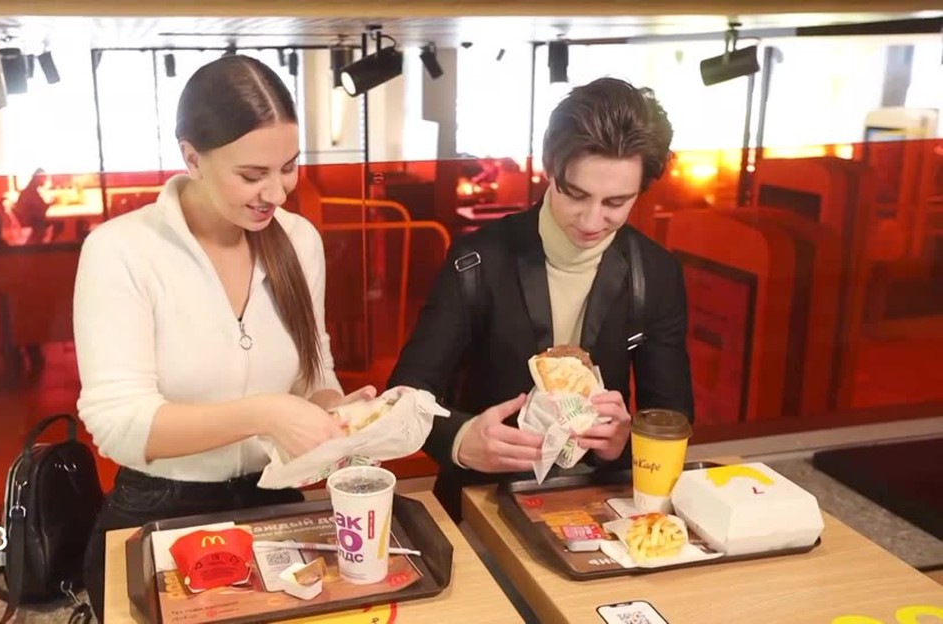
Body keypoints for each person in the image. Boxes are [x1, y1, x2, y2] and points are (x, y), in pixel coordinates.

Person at [72, 55, 374, 621]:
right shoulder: (121, 251)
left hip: (274, 503)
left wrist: (334, 412)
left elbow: (314, 371)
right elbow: (118, 425)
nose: (277, 193)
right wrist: (266, 414)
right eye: (252, 175)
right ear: (192, 158)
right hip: (163, 506)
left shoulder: (298, 241)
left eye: (289, 167)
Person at [388, 77, 695, 520]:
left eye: (616, 202)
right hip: (483, 499)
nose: (591, 220)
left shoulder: (655, 273)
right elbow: (406, 392)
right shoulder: (478, 260)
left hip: (598, 501)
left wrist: (626, 441)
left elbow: (672, 415)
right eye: (576, 194)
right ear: (550, 167)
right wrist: (461, 439)